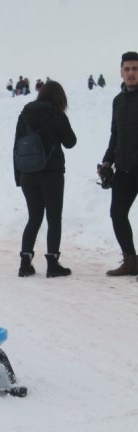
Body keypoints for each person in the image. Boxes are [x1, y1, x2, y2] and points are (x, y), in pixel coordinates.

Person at [13, 80, 77, 278]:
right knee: (53, 218)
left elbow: (16, 146)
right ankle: (52, 263)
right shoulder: (57, 114)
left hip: (27, 174)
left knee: (34, 217)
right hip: (51, 174)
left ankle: (25, 263)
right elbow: (70, 142)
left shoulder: (24, 114)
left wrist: (19, 176)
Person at [99, 51, 138, 277]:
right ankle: (131, 261)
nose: (131, 73)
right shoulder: (118, 101)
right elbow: (115, 135)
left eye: (135, 68)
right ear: (121, 72)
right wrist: (107, 161)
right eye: (127, 69)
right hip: (124, 167)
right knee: (117, 214)